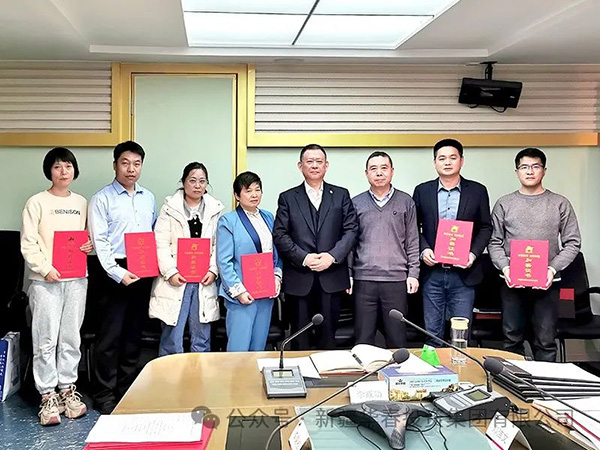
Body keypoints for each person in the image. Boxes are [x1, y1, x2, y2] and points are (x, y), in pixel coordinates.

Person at [20, 147, 92, 425]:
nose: (63, 172)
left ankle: (67, 389)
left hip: (76, 279)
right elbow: (28, 242)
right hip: (46, 281)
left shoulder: (82, 202)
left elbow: (87, 238)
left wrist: (90, 245)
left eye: (68, 166)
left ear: (75, 170)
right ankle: (47, 395)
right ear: (49, 171)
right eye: (57, 167)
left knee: (71, 336)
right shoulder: (36, 202)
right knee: (46, 338)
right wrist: (45, 268)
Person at [488, 148, 581, 361]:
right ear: (517, 171)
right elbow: (494, 242)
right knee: (511, 340)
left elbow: (573, 243)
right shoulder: (504, 203)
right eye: (524, 167)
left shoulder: (560, 203)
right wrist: (506, 268)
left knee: (546, 341)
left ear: (544, 170)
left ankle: (544, 382)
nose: (530, 171)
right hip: (511, 283)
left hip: (547, 284)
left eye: (535, 166)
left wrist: (552, 269)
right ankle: (513, 381)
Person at [88, 140, 157, 413]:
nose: (131, 169)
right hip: (112, 272)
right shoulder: (101, 198)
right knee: (110, 336)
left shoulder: (148, 197)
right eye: (125, 163)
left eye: (136, 164)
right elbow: (100, 242)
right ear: (115, 165)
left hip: (142, 269)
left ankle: (126, 389)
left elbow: (152, 234)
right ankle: (104, 393)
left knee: (133, 334)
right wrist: (118, 273)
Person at [273, 144, 358, 350]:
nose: (314, 165)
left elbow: (351, 230)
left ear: (326, 165)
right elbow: (280, 234)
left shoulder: (341, 194)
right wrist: (303, 258)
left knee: (328, 338)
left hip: (332, 277)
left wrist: (332, 256)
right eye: (309, 161)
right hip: (299, 279)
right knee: (299, 339)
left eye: (319, 161)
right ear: (300, 166)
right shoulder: (288, 197)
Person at [412, 139, 492, 346]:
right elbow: (412, 227)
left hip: (464, 274)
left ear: (461, 161)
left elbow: (486, 227)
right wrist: (424, 249)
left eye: (452, 157)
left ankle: (460, 366)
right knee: (432, 334)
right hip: (432, 273)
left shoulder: (477, 191)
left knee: (461, 335)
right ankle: (433, 367)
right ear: (435, 162)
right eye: (442, 158)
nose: (447, 162)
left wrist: (473, 254)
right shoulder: (422, 191)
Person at [149, 162, 224, 355]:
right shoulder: (169, 209)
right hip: (176, 279)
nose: (197, 185)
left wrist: (213, 270)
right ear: (183, 182)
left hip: (203, 280)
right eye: (192, 180)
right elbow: (160, 243)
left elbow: (218, 245)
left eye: (202, 181)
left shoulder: (214, 210)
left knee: (202, 335)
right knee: (172, 335)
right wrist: (170, 272)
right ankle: (169, 373)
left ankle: (201, 373)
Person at [350, 151, 420, 348]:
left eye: (384, 168)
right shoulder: (356, 203)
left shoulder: (406, 201)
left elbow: (413, 241)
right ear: (366, 173)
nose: (379, 173)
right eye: (373, 169)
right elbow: (350, 244)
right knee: (363, 340)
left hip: (396, 280)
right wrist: (349, 274)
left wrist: (413, 273)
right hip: (364, 280)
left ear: (392, 171)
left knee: (397, 338)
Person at [216, 171, 282, 351]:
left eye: (257, 190)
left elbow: (276, 253)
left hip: (265, 292)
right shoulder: (228, 221)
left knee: (259, 347)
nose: (254, 194)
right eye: (248, 190)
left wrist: (277, 277)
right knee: (239, 348)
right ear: (237, 196)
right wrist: (238, 291)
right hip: (242, 294)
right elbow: (224, 261)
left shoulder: (268, 217)